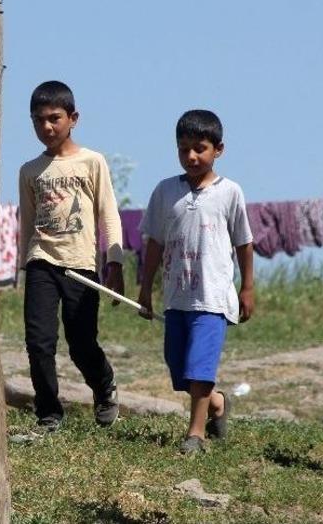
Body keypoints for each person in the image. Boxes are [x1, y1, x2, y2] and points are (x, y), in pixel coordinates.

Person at [137, 109, 254, 455]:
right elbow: (154, 243)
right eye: (183, 148)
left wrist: (247, 287)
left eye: (199, 148)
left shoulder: (230, 192)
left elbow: (244, 243)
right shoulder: (165, 191)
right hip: (176, 296)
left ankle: (196, 434)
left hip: (213, 297)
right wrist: (146, 288)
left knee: (200, 366)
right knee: (179, 369)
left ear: (218, 150)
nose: (191, 156)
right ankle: (217, 403)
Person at [18, 81, 124, 431]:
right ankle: (48, 412)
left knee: (80, 343)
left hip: (81, 266)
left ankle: (104, 385)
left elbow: (109, 214)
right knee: (39, 342)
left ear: (73, 118)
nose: (46, 127)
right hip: (41, 262)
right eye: (38, 120)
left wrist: (115, 261)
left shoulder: (92, 162)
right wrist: (23, 267)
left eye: (54, 118)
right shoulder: (30, 171)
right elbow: (27, 221)